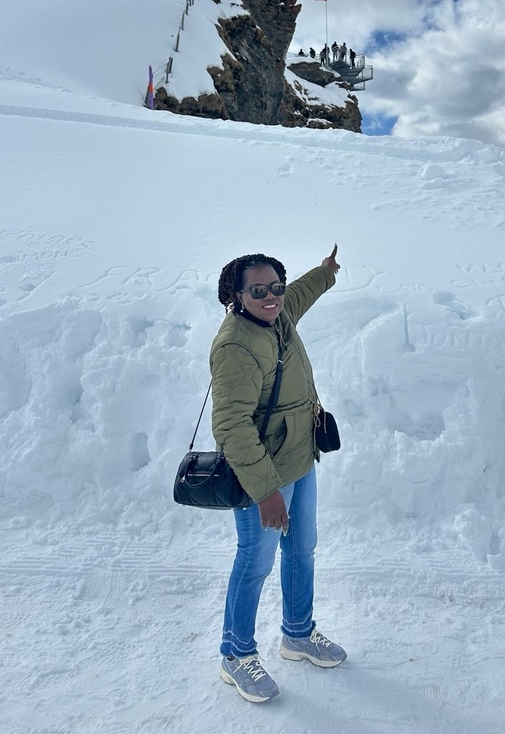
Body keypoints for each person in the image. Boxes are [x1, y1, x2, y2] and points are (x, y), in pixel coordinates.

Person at [212, 245, 347, 703]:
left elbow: (302, 293)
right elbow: (231, 425)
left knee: (302, 550)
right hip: (262, 474)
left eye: (276, 287)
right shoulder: (235, 345)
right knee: (255, 561)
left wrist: (325, 272)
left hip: (299, 457)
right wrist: (267, 491)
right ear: (237, 295)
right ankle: (235, 654)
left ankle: (297, 634)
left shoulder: (279, 312)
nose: (271, 296)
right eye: (258, 290)